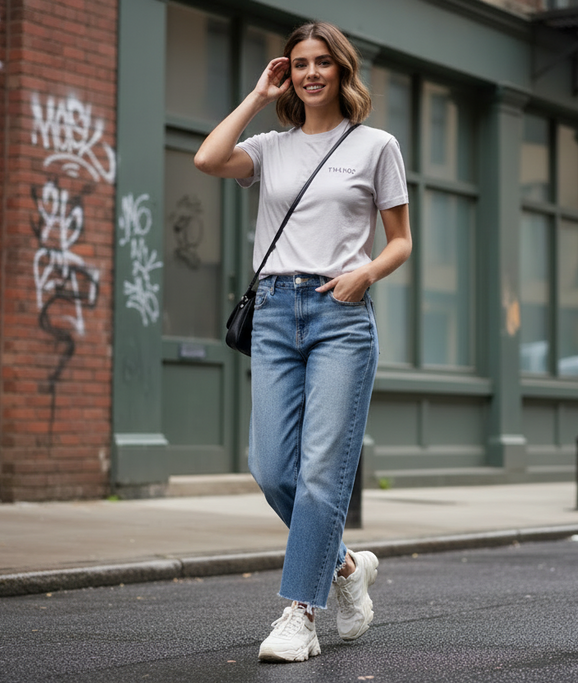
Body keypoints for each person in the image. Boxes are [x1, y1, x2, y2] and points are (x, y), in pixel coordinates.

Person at [194, 21, 412, 663]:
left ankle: (301, 613)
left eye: (322, 62)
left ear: (343, 70)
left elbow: (400, 240)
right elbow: (207, 159)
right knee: (270, 468)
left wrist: (365, 274)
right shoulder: (271, 147)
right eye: (299, 63)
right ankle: (345, 566)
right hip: (272, 313)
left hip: (339, 314)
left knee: (321, 473)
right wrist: (258, 95)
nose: (311, 73)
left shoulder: (376, 146)